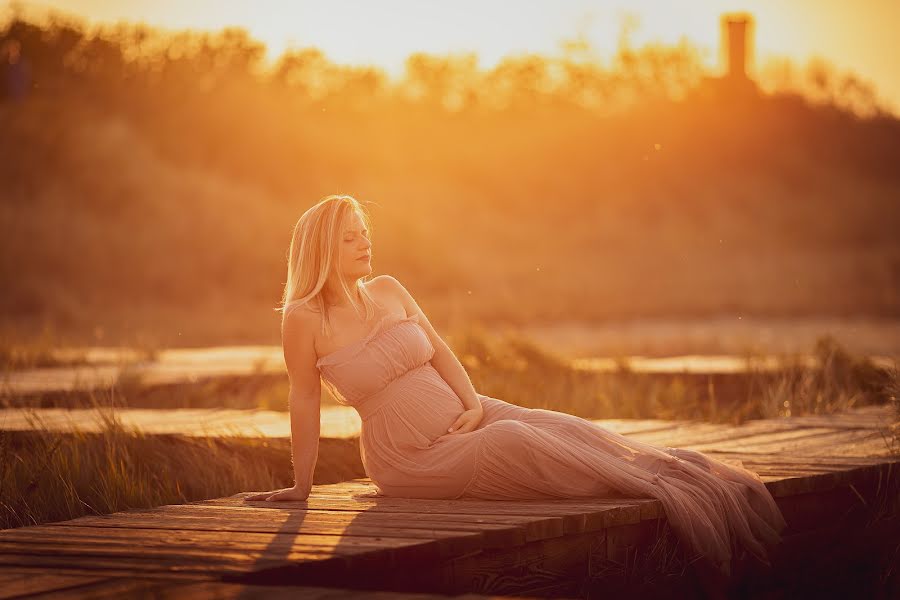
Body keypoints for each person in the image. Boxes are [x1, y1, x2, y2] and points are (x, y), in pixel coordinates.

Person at [246, 194, 787, 577]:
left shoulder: (388, 289)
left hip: (467, 415)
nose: (366, 243)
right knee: (517, 442)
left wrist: (473, 406)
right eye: (351, 236)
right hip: (409, 457)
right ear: (322, 247)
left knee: (560, 425)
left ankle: (671, 474)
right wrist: (302, 485)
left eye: (366, 232)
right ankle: (648, 486)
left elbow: (441, 352)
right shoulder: (303, 318)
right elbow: (303, 400)